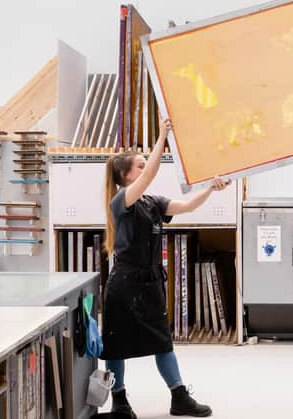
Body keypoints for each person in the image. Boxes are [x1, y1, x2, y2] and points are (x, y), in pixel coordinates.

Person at [102, 118, 229, 418]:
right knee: (115, 346)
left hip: (150, 284)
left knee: (162, 342)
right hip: (124, 286)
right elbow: (152, 173)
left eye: (144, 164)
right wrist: (162, 136)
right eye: (139, 166)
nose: (144, 170)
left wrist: (211, 188)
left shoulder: (151, 201)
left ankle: (179, 397)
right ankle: (119, 403)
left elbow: (187, 207)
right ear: (124, 175)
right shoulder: (122, 200)